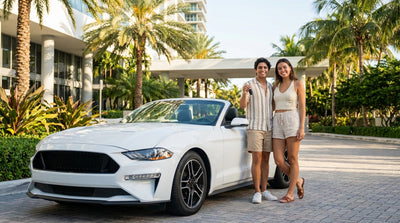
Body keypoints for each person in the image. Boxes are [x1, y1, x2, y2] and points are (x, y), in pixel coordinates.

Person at [240, 57, 278, 204]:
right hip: (255, 126)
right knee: (257, 158)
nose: (263, 70)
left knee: (266, 160)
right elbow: (243, 106)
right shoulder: (249, 85)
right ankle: (256, 192)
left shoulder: (270, 87)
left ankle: (264, 190)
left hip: (269, 127)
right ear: (256, 69)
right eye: (260, 67)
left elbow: (273, 106)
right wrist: (244, 94)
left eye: (265, 68)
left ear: (268, 70)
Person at [272, 58, 305, 203]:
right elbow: (272, 106)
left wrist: (302, 127)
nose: (282, 70)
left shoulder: (297, 84)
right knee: (278, 160)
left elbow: (303, 107)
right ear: (277, 71)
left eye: (285, 67)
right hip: (277, 119)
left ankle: (290, 194)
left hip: (292, 119)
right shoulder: (275, 86)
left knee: (292, 158)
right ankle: (298, 180)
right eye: (279, 68)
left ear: (290, 68)